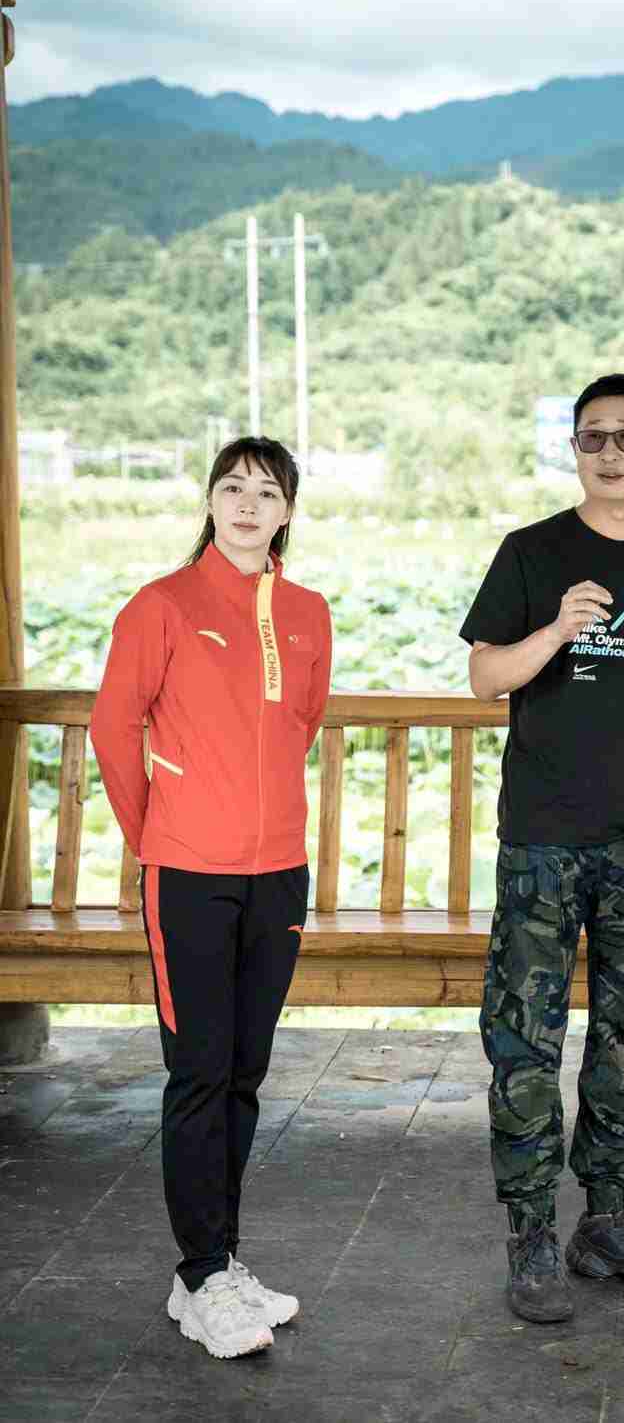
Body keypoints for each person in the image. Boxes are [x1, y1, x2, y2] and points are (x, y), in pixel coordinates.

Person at [461, 373, 624, 1323]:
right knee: (524, 1040)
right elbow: (484, 677)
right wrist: (556, 630)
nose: (610, 452)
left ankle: (608, 1219)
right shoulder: (531, 552)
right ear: (574, 449)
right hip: (542, 837)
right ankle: (532, 1230)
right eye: (593, 437)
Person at [90, 437, 332, 1359]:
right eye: (231, 487)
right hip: (187, 871)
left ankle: (220, 1262)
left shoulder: (307, 612)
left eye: (265, 492)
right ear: (210, 500)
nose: (246, 504)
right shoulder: (162, 605)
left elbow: (301, 722)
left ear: (286, 512)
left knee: (243, 1072)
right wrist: (159, 831)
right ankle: (198, 1276)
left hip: (279, 871)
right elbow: (114, 729)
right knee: (198, 1072)